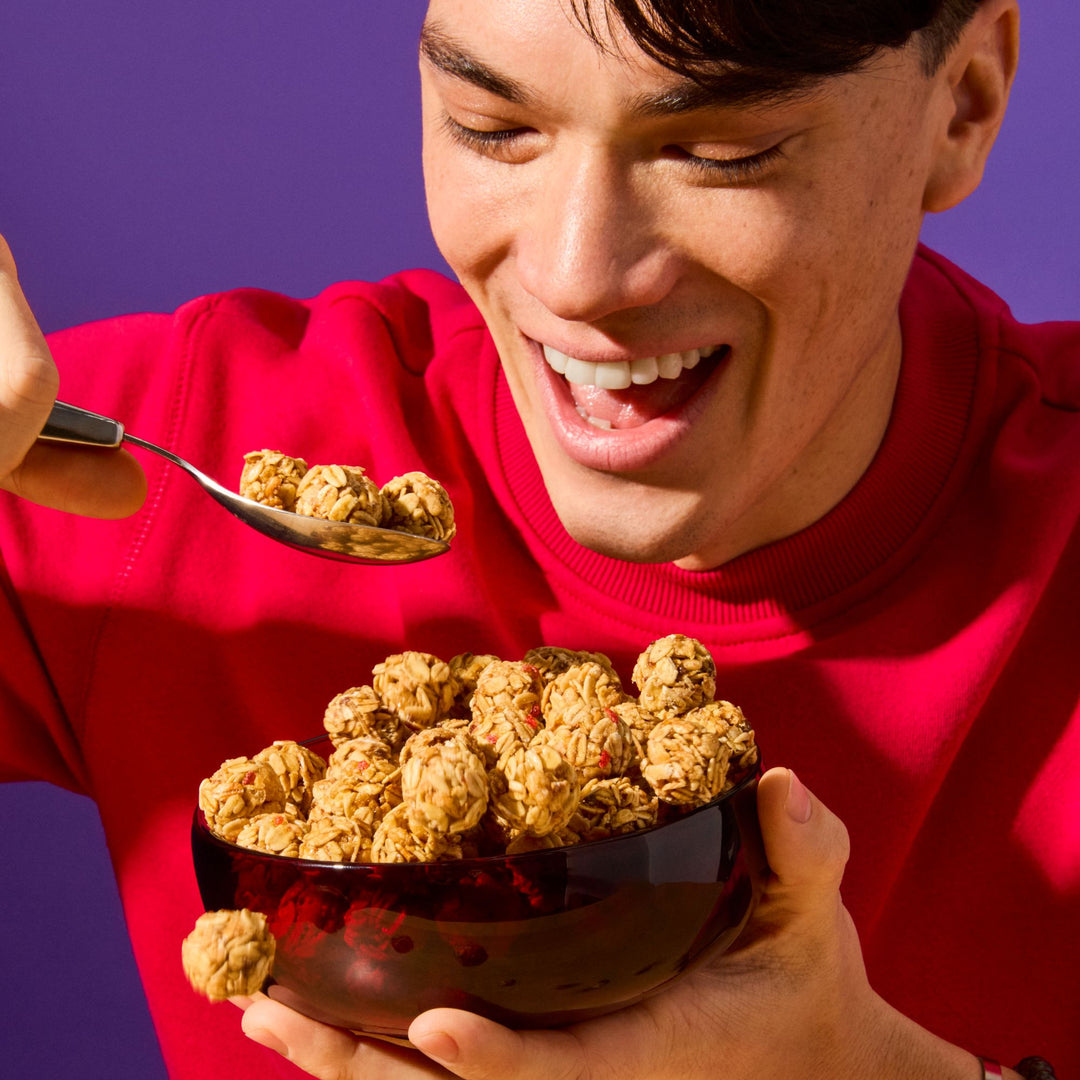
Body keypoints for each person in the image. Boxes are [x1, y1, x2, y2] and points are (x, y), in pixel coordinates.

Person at [0, 0, 1074, 1078]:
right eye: (493, 128)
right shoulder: (142, 469)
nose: (576, 277)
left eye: (720, 152)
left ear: (964, 103)